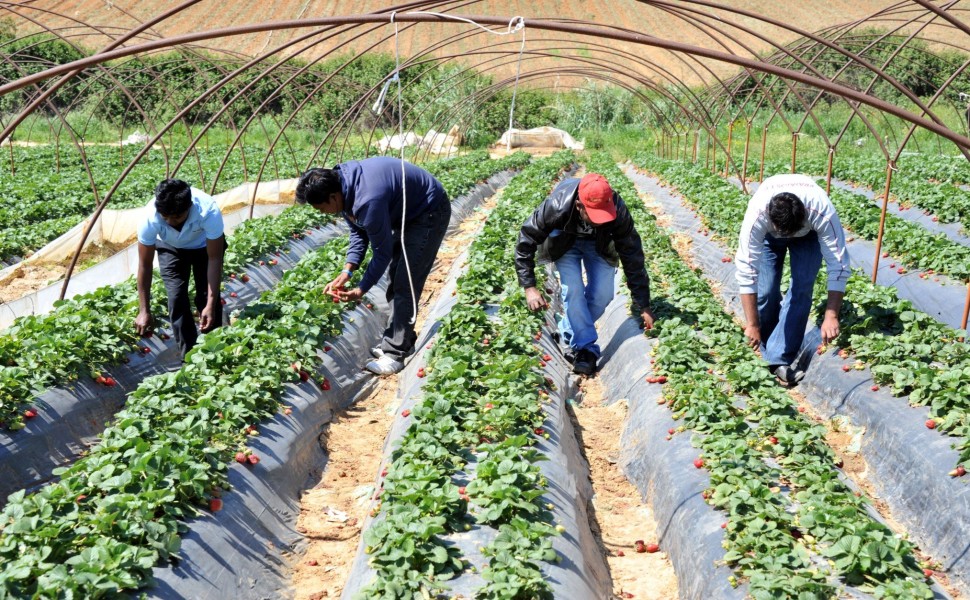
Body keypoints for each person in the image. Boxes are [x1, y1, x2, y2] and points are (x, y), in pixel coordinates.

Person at [295, 157, 451, 376]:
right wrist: (347, 271)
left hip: (428, 211)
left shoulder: (367, 198)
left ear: (333, 197)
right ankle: (398, 340)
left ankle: (396, 353)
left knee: (405, 279)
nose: (323, 213)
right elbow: (359, 231)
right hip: (408, 212)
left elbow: (382, 253)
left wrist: (361, 289)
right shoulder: (342, 184)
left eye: (322, 209)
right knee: (397, 275)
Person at [515, 173, 655, 376]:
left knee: (603, 293)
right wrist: (529, 287)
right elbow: (526, 240)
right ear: (579, 206)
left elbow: (632, 253)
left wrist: (643, 304)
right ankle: (586, 350)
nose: (599, 220)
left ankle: (566, 331)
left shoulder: (617, 210)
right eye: (594, 214)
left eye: (603, 214)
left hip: (598, 244)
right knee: (573, 290)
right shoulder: (557, 205)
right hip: (565, 241)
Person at [735, 173, 851, 385]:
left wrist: (831, 315)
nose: (787, 236)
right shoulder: (758, 214)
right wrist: (752, 324)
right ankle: (768, 346)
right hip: (770, 236)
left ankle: (779, 358)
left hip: (808, 237)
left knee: (801, 288)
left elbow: (839, 265)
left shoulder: (821, 211)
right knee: (767, 290)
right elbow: (746, 268)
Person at [135, 179, 226, 359]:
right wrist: (144, 310)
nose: (169, 221)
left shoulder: (208, 211)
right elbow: (144, 265)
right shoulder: (149, 218)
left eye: (176, 217)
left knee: (206, 297)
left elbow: (215, 259)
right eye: (165, 216)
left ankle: (215, 351)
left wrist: (209, 304)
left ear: (189, 207)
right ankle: (189, 356)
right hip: (171, 248)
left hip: (203, 248)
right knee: (176, 296)